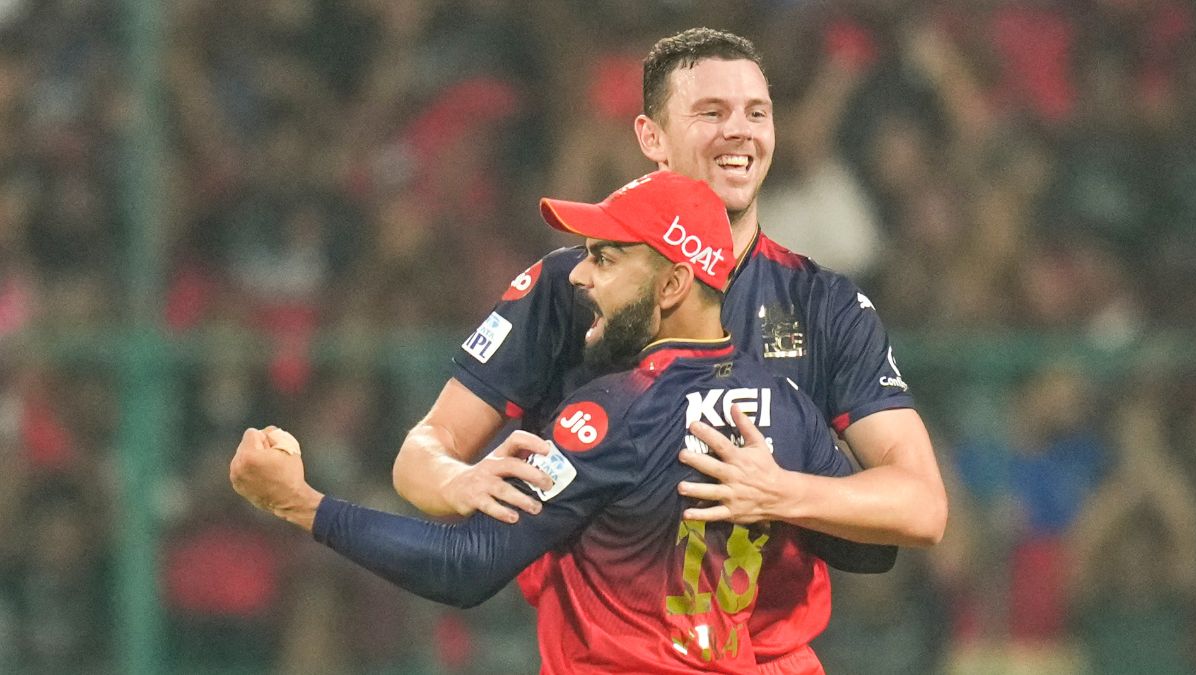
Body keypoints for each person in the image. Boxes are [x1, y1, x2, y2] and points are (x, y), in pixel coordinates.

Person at [232, 171, 871, 673]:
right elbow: (869, 551)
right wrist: (786, 495)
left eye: (606, 259)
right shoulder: (789, 408)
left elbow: (466, 567)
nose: (580, 275)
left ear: (673, 284)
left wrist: (302, 504)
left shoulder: (612, 412)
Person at [392, 29, 945, 545]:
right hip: (594, 620)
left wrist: (783, 493)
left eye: (757, 113)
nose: (740, 131)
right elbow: (423, 451)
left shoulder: (824, 303)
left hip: (766, 624)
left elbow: (922, 505)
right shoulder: (568, 287)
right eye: (712, 112)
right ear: (651, 137)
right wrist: (455, 481)